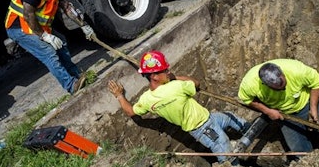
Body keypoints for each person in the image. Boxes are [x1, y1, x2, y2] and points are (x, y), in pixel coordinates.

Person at [108, 50, 251, 165]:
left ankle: (249, 130)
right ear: (154, 76)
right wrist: (174, 77)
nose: (168, 71)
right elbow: (196, 83)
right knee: (226, 152)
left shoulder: (146, 99)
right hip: (205, 128)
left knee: (229, 117)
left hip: (206, 120)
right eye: (165, 70)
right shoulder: (175, 86)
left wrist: (120, 96)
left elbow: (131, 111)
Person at [4, 0, 94, 94]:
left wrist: (83, 25)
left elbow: (66, 7)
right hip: (19, 27)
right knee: (49, 53)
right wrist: (45, 36)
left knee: (61, 43)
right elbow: (28, 15)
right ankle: (72, 85)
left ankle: (77, 75)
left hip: (37, 25)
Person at [234, 58, 319, 159]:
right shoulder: (250, 83)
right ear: (266, 85)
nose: (284, 89)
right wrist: (268, 111)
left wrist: (313, 107)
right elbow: (246, 99)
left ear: (282, 73)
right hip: (285, 115)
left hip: (307, 102)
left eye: (284, 85)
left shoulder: (296, 70)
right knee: (298, 149)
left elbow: (316, 82)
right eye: (279, 89)